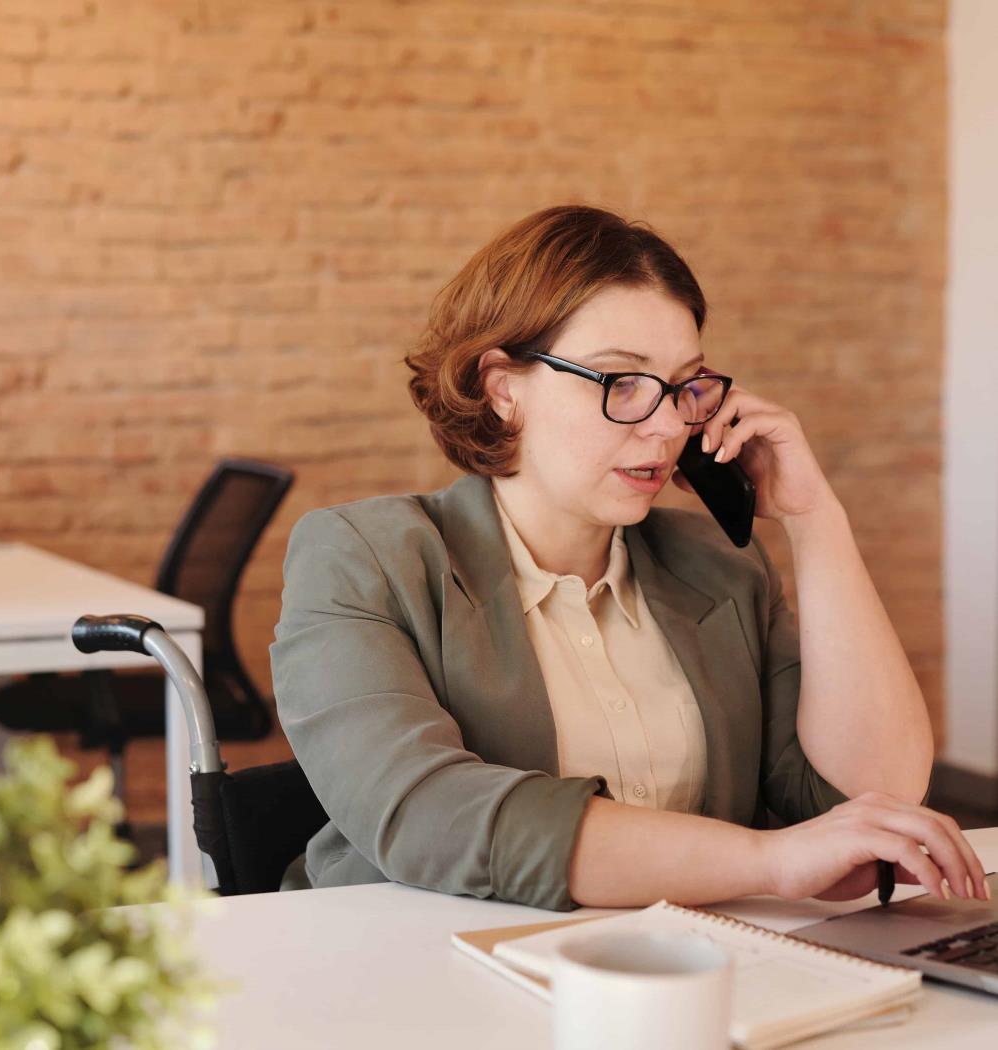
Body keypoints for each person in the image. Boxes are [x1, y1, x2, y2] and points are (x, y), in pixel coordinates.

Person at [270, 204, 984, 912]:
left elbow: (872, 798)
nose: (670, 423)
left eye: (684, 385)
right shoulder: (362, 557)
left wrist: (814, 519)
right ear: (503, 388)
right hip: (413, 970)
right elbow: (424, 812)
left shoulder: (717, 565)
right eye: (622, 382)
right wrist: (767, 860)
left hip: (675, 976)